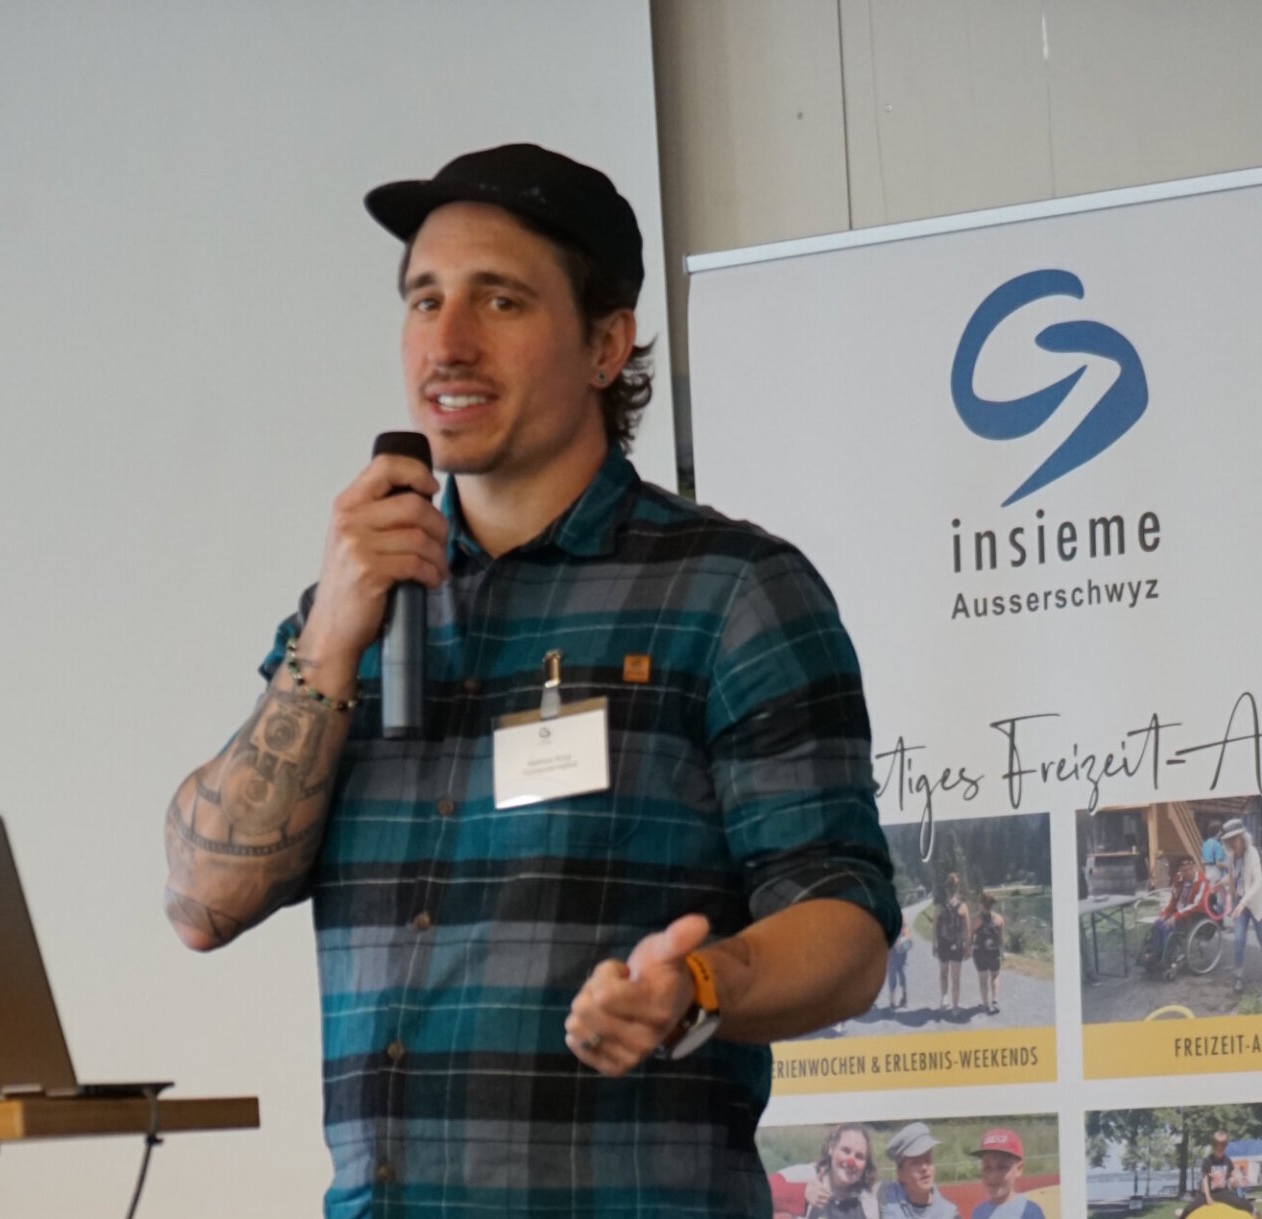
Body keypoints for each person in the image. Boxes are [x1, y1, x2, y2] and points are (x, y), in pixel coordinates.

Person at [158, 144, 901, 1217]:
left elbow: (847, 927)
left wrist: (698, 985)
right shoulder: (353, 610)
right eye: (425, 299)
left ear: (606, 344)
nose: (447, 342)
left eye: (499, 300)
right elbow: (201, 901)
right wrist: (325, 644)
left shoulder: (730, 590)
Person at [1221, 818, 1262, 994]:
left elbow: (1258, 882)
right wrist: (1224, 887)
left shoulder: (1252, 852)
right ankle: (1238, 975)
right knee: (1239, 940)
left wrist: (1242, 903)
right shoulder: (1230, 855)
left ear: (1242, 836)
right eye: (1229, 840)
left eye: (1235, 838)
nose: (1233, 842)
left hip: (1255, 902)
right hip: (1240, 902)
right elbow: (1233, 878)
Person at [878, 1122, 957, 1219]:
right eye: (915, 1162)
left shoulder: (949, 1214)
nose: (924, 1167)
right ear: (900, 1173)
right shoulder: (883, 1201)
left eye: (928, 1159)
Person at [805, 1123, 880, 1219]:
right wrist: (802, 1194)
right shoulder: (806, 1177)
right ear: (831, 1148)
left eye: (859, 1156)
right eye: (845, 1151)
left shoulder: (868, 1202)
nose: (851, 1162)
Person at [967, 1128, 1044, 1219]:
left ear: (1019, 1169)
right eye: (987, 1167)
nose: (993, 1175)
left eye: (1002, 1167)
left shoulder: (1030, 1212)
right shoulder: (979, 1213)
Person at [1146, 857, 1202, 967]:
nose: (1187, 872)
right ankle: (1157, 953)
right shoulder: (1180, 880)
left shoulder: (1201, 881)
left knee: (1168, 927)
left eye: (1190, 869)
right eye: (1184, 870)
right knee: (1158, 924)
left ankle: (1167, 959)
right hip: (1178, 914)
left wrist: (1176, 916)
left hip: (1191, 917)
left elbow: (1196, 906)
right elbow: (1174, 901)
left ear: (1194, 867)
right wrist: (1165, 914)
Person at [933, 872, 972, 1011]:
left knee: (945, 974)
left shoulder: (940, 906)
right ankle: (953, 1006)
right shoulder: (962, 906)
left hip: (945, 943)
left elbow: (935, 927)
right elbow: (968, 929)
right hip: (955, 944)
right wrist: (968, 947)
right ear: (957, 888)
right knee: (954, 978)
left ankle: (946, 999)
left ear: (946, 888)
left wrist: (934, 944)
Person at [1196, 1130, 1252, 1215]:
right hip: (1210, 1192)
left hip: (1224, 1193)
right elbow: (1205, 1179)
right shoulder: (1208, 1161)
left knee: (1247, 1205)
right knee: (1190, 1207)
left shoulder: (1227, 1161)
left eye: (1223, 1144)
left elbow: (1231, 1176)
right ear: (1213, 1145)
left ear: (1225, 1145)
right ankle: (1181, 1215)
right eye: (1217, 1144)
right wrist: (1208, 1196)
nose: (1220, 1147)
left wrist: (1235, 1181)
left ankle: (1254, 1214)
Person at [972, 891, 1006, 1015]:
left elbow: (970, 937)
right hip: (994, 952)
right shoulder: (999, 919)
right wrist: (1002, 953)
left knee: (983, 980)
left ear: (981, 904)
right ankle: (994, 1000)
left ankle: (985, 1004)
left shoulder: (976, 919)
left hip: (980, 952)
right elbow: (1001, 939)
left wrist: (968, 949)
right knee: (995, 976)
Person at [888, 924, 913, 1008]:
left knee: (897, 971)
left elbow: (905, 931)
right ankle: (897, 998)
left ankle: (898, 998)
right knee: (898, 971)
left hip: (898, 948)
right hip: (897, 948)